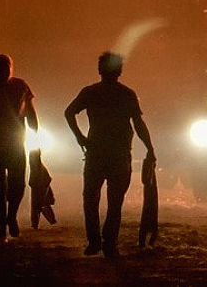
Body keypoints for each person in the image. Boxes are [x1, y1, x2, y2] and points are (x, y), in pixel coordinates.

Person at [65, 51, 156, 258]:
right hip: (119, 154)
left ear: (100, 70)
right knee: (115, 202)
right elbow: (138, 125)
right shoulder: (127, 94)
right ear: (120, 71)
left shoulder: (90, 92)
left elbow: (68, 112)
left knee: (90, 199)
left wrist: (80, 137)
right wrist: (150, 148)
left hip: (96, 152)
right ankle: (109, 243)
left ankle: (95, 241)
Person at [0, 54, 38, 242]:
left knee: (16, 183)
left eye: (6, 68)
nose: (4, 71)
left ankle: (10, 218)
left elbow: (30, 111)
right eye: (1, 68)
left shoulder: (20, 86)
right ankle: (3, 226)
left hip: (12, 143)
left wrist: (35, 131)